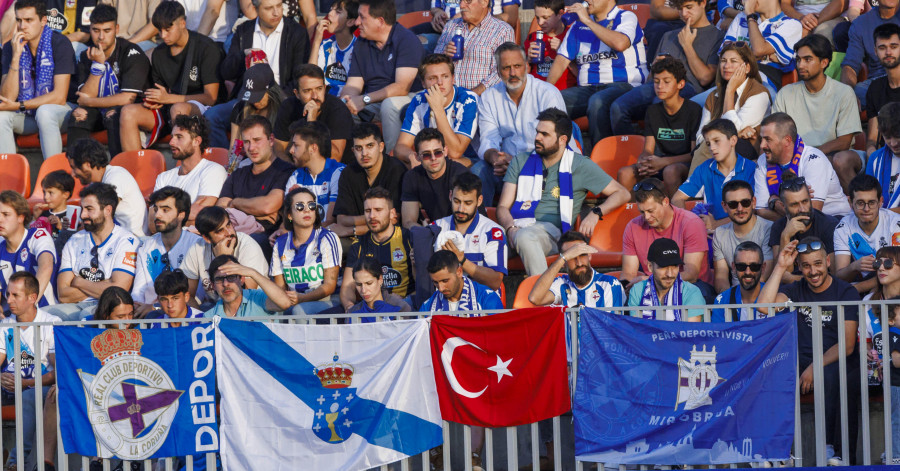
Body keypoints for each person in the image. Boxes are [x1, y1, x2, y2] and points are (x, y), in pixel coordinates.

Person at [758, 237, 861, 466]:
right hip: (801, 359)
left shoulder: (846, 292)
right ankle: (778, 453)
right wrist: (781, 266)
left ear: (828, 262)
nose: (813, 271)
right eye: (806, 265)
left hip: (836, 358)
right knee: (769, 375)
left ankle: (836, 451)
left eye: (817, 264)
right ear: (800, 267)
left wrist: (815, 366)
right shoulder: (795, 289)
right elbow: (764, 307)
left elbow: (847, 344)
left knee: (836, 376)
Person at [497, 108, 630, 275]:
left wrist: (595, 212)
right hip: (515, 226)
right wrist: (510, 229)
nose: (537, 137)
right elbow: (502, 206)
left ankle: (544, 296)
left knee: (525, 237)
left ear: (562, 139)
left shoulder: (580, 165)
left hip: (551, 233)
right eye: (537, 132)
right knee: (485, 242)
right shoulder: (520, 160)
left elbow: (622, 193)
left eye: (544, 134)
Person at [118, 1, 223, 152]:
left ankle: (184, 168)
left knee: (178, 109)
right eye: (160, 31)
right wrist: (154, 100)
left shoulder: (205, 48)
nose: (163, 35)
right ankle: (134, 171)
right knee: (127, 112)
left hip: (198, 109)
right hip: (168, 108)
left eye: (168, 29)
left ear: (182, 23)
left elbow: (210, 98)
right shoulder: (159, 54)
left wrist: (168, 98)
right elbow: (161, 94)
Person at [609, 0, 724, 134]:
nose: (684, 14)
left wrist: (687, 45)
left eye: (689, 7)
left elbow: (705, 78)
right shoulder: (668, 35)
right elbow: (650, 80)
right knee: (617, 107)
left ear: (703, 3)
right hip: (656, 85)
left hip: (687, 88)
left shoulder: (718, 36)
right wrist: (655, 68)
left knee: (659, 103)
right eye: (680, 9)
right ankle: (631, 148)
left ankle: (656, 152)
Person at [476, 42, 568, 205]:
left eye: (517, 66)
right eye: (506, 68)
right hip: (506, 167)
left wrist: (519, 164)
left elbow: (556, 146)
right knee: (478, 171)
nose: (513, 73)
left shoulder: (547, 93)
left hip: (546, 165)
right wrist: (496, 158)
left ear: (527, 66)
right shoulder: (489, 97)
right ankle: (483, 224)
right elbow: (488, 139)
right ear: (498, 71)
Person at [546, 0, 648, 146]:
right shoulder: (578, 25)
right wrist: (545, 91)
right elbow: (561, 61)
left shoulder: (626, 17)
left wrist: (587, 20)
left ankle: (601, 159)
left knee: (597, 102)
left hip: (625, 85)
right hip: (588, 88)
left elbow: (620, 43)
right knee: (550, 102)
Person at [772, 34, 863, 193]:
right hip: (796, 158)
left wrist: (808, 156)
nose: (800, 65)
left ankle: (857, 203)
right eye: (798, 60)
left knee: (838, 160)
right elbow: (775, 135)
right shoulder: (785, 94)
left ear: (824, 62)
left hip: (836, 154)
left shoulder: (843, 92)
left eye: (808, 59)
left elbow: (844, 141)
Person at [340, 0, 425, 154]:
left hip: (408, 99)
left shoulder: (406, 40)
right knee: (338, 109)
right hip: (373, 101)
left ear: (380, 21)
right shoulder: (362, 42)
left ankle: (394, 162)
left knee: (389, 105)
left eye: (362, 17)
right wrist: (348, 100)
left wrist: (364, 99)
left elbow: (402, 87)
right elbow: (353, 85)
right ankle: (346, 167)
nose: (357, 22)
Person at [66, 4, 150, 158]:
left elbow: (127, 98)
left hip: (128, 109)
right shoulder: (86, 56)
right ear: (89, 29)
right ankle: (79, 173)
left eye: (107, 30)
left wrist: (90, 102)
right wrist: (97, 66)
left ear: (116, 29)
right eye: (96, 30)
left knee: (113, 115)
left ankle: (118, 171)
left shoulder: (131, 52)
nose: (101, 37)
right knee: (78, 115)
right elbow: (84, 97)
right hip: (99, 110)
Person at [50, 183, 140, 321]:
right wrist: (105, 284)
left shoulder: (127, 241)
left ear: (108, 210)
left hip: (110, 307)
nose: (83, 214)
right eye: (82, 209)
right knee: (44, 317)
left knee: (85, 317)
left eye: (89, 209)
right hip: (74, 305)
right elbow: (63, 294)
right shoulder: (75, 240)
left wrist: (79, 281)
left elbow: (118, 291)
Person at [0, 0, 75, 160]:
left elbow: (59, 97)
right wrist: (15, 58)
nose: (22, 26)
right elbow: (7, 98)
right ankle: (9, 178)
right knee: (1, 118)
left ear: (43, 21)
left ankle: (54, 175)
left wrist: (19, 105)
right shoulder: (10, 47)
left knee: (45, 112)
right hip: (28, 114)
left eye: (29, 20)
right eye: (19, 20)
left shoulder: (60, 43)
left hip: (61, 112)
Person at [618, 56, 702, 197]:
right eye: (656, 82)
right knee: (624, 173)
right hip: (661, 162)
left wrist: (663, 162)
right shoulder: (653, 111)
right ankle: (635, 216)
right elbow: (648, 149)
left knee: (671, 171)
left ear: (681, 84)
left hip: (683, 165)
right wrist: (644, 161)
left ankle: (677, 214)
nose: (660, 86)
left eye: (666, 81)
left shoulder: (694, 110)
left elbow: (694, 155)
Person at [0, 271, 57, 471]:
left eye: (15, 295)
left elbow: (58, 372)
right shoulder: (5, 325)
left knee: (29, 396)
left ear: (32, 298)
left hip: (40, 388)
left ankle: (16, 463)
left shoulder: (51, 322)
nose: (9, 300)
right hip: (9, 388)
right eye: (8, 294)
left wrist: (24, 384)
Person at [622, 178, 714, 300]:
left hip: (692, 286)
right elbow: (628, 274)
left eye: (651, 211)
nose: (646, 217)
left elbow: (691, 274)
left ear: (665, 201)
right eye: (642, 212)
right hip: (652, 287)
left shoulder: (691, 222)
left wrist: (651, 281)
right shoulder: (633, 226)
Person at [217, 115, 295, 252]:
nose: (251, 147)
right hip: (231, 231)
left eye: (257, 140)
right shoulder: (238, 174)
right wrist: (255, 210)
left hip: (264, 236)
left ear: (271, 140)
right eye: (246, 142)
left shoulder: (285, 171)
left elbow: (268, 205)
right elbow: (220, 209)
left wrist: (235, 203)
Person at [754, 112, 852, 220]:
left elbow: (809, 213)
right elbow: (761, 211)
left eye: (768, 139)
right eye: (761, 139)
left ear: (787, 140)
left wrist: (774, 201)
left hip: (832, 220)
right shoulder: (763, 160)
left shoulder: (814, 160)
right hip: (789, 223)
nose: (762, 146)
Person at [692, 42, 771, 167]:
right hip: (717, 150)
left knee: (711, 148)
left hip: (747, 151)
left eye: (733, 61)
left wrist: (729, 91)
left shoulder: (759, 94)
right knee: (709, 148)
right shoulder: (714, 96)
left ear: (747, 68)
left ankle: (691, 186)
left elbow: (730, 128)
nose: (726, 66)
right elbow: (700, 138)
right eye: (723, 61)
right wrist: (738, 134)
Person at [394, 54, 479, 167]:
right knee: (398, 164)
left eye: (445, 76)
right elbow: (400, 147)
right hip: (432, 159)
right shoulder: (419, 100)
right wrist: (412, 157)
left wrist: (438, 109)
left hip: (468, 159)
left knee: (446, 164)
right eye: (432, 78)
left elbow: (455, 153)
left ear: (453, 79)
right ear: (423, 83)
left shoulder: (468, 100)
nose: (440, 82)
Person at [271, 187, 342, 315]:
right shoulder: (280, 244)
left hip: (328, 301)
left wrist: (301, 299)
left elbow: (329, 286)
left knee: (298, 311)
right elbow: (280, 288)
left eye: (311, 205)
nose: (306, 210)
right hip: (294, 301)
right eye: (299, 206)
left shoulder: (327, 238)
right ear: (289, 215)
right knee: (273, 311)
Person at [672, 119, 757, 227]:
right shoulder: (704, 169)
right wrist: (689, 224)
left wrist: (717, 224)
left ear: (733, 140)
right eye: (708, 143)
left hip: (745, 233)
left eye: (717, 141)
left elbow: (755, 210)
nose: (712, 148)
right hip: (714, 235)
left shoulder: (751, 169)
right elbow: (677, 198)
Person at [340, 187, 414, 310]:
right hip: (369, 307)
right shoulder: (359, 244)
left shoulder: (408, 238)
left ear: (392, 213)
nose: (372, 216)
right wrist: (350, 309)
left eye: (378, 210)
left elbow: (422, 284)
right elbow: (347, 286)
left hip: (404, 304)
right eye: (368, 211)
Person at [180, 206, 269, 308]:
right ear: (207, 238)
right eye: (220, 231)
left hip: (253, 307)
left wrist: (224, 259)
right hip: (217, 307)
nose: (229, 233)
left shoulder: (248, 246)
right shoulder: (197, 248)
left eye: (228, 224)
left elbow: (243, 297)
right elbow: (187, 296)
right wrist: (200, 320)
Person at [131, 187, 201, 314]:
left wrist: (156, 307)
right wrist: (138, 307)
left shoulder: (196, 245)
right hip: (149, 315)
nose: (157, 215)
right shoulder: (146, 246)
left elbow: (193, 296)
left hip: (188, 316)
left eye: (165, 210)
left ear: (181, 215)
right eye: (156, 209)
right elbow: (138, 291)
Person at [329, 123, 407, 238]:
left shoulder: (396, 170)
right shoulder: (348, 173)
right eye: (359, 148)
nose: (364, 153)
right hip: (359, 240)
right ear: (353, 150)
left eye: (370, 146)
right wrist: (380, 217)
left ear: (381, 147)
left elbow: (394, 219)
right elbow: (341, 220)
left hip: (391, 238)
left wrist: (352, 230)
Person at [432, 172, 507, 290]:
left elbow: (495, 281)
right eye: (457, 201)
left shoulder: (493, 232)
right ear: (450, 195)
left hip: (481, 301)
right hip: (444, 301)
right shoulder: (436, 227)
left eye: (468, 203)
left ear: (480, 200)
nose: (461, 209)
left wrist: (462, 260)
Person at [153, 114, 227, 225]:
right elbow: (152, 223)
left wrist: (166, 218)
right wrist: (186, 215)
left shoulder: (213, 171)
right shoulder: (163, 177)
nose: (171, 142)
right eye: (172, 136)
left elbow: (202, 220)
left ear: (196, 141)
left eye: (179, 137)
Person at [273, 64, 355, 162]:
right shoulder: (288, 107)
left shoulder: (337, 109)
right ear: (297, 93)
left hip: (336, 172)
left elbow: (335, 158)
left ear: (325, 88)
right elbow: (278, 148)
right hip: (298, 168)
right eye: (307, 91)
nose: (315, 96)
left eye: (319, 89)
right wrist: (292, 169)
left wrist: (312, 123)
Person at [834, 174, 900, 294]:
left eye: (871, 202)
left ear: (880, 202)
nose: (866, 209)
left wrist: (854, 289)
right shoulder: (843, 228)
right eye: (860, 203)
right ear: (850, 202)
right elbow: (840, 275)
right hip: (866, 286)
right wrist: (854, 267)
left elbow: (896, 273)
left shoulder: (895, 224)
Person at [68, 137, 146, 237]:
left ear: (87, 164)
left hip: (132, 241)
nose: (73, 174)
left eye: (74, 168)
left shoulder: (116, 176)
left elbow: (102, 216)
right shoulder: (95, 184)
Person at [433, 0, 514, 95]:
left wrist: (472, 95)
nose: (462, 5)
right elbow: (433, 64)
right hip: (448, 99)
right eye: (460, 1)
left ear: (484, 2)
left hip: (482, 100)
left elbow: (503, 71)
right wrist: (444, 54)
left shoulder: (502, 31)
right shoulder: (451, 26)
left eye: (468, 1)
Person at [769, 178, 840, 283]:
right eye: (794, 204)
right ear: (783, 206)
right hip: (792, 291)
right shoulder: (778, 227)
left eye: (805, 201)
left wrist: (792, 278)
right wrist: (785, 236)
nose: (802, 209)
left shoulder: (828, 224)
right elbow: (780, 276)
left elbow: (835, 276)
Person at [529, 230, 625, 308]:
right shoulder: (562, 283)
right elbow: (535, 298)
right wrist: (561, 259)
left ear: (590, 255)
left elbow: (610, 327)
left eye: (582, 255)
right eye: (571, 257)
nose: (579, 263)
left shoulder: (609, 284)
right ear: (564, 262)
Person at [720, 0, 802, 90]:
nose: (744, 1)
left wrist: (750, 16)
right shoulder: (741, 17)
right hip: (730, 79)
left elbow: (758, 50)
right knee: (702, 101)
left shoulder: (792, 24)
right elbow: (725, 52)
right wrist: (767, 56)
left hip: (764, 81)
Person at [712, 179, 774, 292]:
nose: (740, 209)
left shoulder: (768, 228)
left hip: (763, 296)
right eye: (733, 204)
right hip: (734, 298)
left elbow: (764, 275)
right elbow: (721, 277)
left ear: (754, 202)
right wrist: (730, 302)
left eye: (745, 202)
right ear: (724, 207)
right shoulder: (720, 233)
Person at [400, 128, 470, 228]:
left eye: (438, 152)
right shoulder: (412, 176)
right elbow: (408, 222)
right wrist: (429, 233)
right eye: (426, 155)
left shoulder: (461, 175)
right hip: (435, 233)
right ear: (417, 157)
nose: (433, 158)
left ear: (445, 151)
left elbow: (469, 220)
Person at [0, 190, 57, 309]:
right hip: (12, 319)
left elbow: (46, 266)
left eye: (6, 214)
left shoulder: (38, 235)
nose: (0, 219)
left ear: (20, 217)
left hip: (45, 312)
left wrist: (28, 306)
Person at [627, 237, 705, 321]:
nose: (670, 274)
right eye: (663, 267)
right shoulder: (638, 290)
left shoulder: (691, 292)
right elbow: (636, 329)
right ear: (650, 267)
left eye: (675, 266)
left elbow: (690, 332)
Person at [284, 121, 345, 225]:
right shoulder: (296, 176)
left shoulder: (338, 172)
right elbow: (288, 220)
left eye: (296, 145)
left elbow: (330, 221)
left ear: (313, 148)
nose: (291, 150)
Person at [841, 0, 900, 106]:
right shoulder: (861, 23)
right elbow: (850, 65)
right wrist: (847, 95)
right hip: (876, 83)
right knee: (852, 95)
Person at [227, 64, 287, 160]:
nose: (254, 102)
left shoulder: (283, 109)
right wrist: (232, 169)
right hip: (247, 162)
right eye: (251, 97)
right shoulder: (240, 108)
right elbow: (234, 147)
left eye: (258, 96)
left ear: (270, 91)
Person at [202, 254, 294, 317]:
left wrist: (253, 273)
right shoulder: (209, 317)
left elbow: (285, 303)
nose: (225, 284)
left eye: (231, 277)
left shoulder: (257, 298)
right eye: (219, 279)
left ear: (242, 279)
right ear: (213, 285)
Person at [420, 249, 503, 313]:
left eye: (445, 281)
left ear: (459, 272)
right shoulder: (427, 306)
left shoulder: (487, 299)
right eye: (435, 282)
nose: (441, 288)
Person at [523, 0, 577, 89]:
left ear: (560, 14)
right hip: (536, 91)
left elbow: (581, 75)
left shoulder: (572, 36)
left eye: (545, 17)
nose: (540, 22)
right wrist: (528, 60)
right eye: (537, 17)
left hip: (564, 93)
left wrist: (563, 52)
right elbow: (522, 75)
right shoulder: (532, 37)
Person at [309, 0, 358, 97]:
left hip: (346, 103)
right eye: (331, 9)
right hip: (323, 100)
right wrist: (316, 42)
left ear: (350, 21)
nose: (330, 14)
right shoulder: (326, 44)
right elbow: (311, 76)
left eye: (338, 12)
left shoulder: (358, 48)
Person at [865, 24, 900, 158]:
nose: (888, 53)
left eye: (893, 46)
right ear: (875, 51)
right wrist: (871, 152)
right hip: (886, 154)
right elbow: (872, 138)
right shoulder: (875, 88)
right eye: (882, 48)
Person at [712, 241, 768, 321]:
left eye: (754, 266)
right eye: (741, 266)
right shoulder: (722, 300)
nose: (748, 272)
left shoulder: (775, 297)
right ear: (734, 268)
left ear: (763, 268)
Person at [348, 256, 412, 317]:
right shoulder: (352, 312)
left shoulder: (400, 308)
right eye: (359, 284)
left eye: (369, 283)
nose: (363, 290)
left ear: (380, 279)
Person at [31, 169, 75, 253]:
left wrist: (60, 227)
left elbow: (72, 241)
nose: (46, 197)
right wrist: (35, 218)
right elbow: (32, 236)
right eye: (44, 192)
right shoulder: (43, 214)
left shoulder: (71, 216)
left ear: (65, 194)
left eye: (50, 193)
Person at [868, 102, 900, 211]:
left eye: (897, 136)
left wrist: (882, 215)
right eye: (888, 137)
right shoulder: (875, 158)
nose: (893, 143)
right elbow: (869, 196)